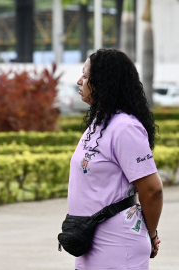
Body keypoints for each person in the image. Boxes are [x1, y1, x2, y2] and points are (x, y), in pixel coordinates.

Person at [68, 48, 163, 269]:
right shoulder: (99, 124)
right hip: (88, 241)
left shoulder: (125, 128)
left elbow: (152, 189)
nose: (79, 81)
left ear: (102, 81)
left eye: (85, 75)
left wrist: (149, 234)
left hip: (118, 246)